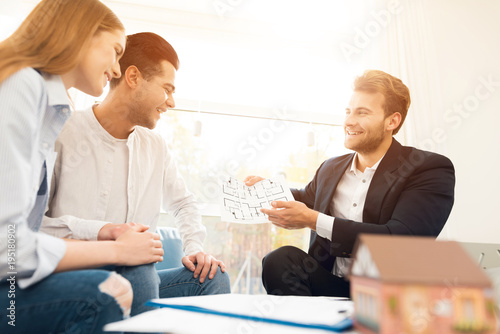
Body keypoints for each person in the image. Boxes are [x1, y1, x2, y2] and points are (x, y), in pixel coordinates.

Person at [0, 1, 164, 333]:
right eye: (116, 51)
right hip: (9, 290)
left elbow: (24, 231)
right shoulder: (23, 86)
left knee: (139, 272)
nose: (117, 69)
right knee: (107, 292)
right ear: (82, 35)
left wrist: (103, 232)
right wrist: (116, 248)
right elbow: (9, 248)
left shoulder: (47, 105)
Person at [40, 32, 231, 316]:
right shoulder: (63, 132)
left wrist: (193, 248)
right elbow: (32, 228)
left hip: (140, 279)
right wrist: (103, 234)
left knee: (213, 278)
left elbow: (183, 204)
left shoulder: (155, 146)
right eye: (167, 89)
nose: (171, 102)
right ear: (133, 77)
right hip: (71, 276)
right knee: (139, 270)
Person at [245, 70, 455, 298]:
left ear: (392, 121)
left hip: (388, 292)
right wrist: (267, 190)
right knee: (279, 260)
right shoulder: (330, 168)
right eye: (348, 112)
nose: (349, 121)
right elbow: (306, 198)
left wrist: (313, 220)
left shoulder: (427, 168)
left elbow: (401, 238)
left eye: (362, 113)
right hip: (331, 282)